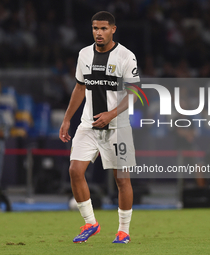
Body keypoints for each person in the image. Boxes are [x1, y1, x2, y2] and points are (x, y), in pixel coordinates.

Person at [59, 11, 139, 244]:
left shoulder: (126, 56)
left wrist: (111, 114)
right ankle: (90, 223)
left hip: (117, 127)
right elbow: (80, 88)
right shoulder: (84, 54)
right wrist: (66, 119)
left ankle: (123, 231)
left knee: (122, 180)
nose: (98, 33)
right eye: (95, 28)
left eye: (103, 28)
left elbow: (136, 94)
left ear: (113, 29)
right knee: (75, 170)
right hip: (88, 125)